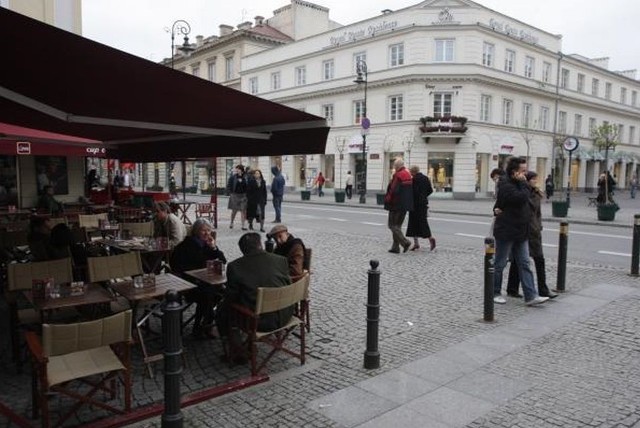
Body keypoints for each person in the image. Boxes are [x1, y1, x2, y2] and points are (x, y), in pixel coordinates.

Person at [492, 156, 549, 306]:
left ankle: (531, 295)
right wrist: (524, 183)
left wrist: (496, 209)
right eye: (522, 170)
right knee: (500, 263)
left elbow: (500, 205)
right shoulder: (506, 184)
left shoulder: (519, 184)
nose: (525, 173)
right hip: (506, 230)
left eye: (525, 170)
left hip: (521, 231)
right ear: (514, 171)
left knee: (524, 263)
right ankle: (495, 292)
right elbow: (520, 198)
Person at [216, 232, 292, 338]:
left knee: (221, 310)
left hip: (258, 321)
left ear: (242, 250)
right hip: (285, 314)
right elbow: (288, 284)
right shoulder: (280, 260)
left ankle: (235, 348)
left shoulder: (235, 267)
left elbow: (231, 297)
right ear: (260, 245)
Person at [171, 218, 227, 338]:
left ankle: (203, 325)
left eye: (209, 230)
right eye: (203, 231)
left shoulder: (206, 244)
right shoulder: (186, 245)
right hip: (188, 284)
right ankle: (201, 327)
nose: (207, 233)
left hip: (205, 283)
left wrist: (213, 247)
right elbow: (182, 266)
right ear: (196, 231)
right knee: (209, 295)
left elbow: (223, 260)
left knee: (221, 293)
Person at [506, 171, 558, 299]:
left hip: (534, 231)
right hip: (523, 230)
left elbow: (538, 213)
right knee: (520, 260)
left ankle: (542, 289)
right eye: (533, 179)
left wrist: (539, 226)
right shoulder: (522, 193)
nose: (535, 181)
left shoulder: (536, 193)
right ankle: (512, 288)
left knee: (539, 259)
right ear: (527, 181)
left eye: (536, 179)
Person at [383, 158, 414, 253]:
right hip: (405, 204)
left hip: (396, 204)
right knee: (398, 226)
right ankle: (395, 247)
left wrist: (387, 199)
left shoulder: (398, 175)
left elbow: (393, 189)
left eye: (394, 166)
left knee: (392, 225)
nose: (394, 167)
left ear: (397, 166)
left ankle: (405, 242)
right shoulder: (407, 174)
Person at [406, 165, 436, 251]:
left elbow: (412, 192)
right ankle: (429, 239)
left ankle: (417, 243)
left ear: (413, 172)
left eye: (411, 172)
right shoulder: (425, 178)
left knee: (413, 224)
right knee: (423, 222)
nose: (410, 173)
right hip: (423, 204)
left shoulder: (414, 180)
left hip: (415, 205)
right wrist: (424, 196)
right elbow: (430, 190)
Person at [228, 165, 248, 230]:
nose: (237, 170)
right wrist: (231, 193)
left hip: (243, 195)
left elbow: (248, 185)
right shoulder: (233, 177)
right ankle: (231, 222)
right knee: (234, 210)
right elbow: (229, 185)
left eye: (238, 169)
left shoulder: (245, 177)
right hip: (235, 195)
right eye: (236, 169)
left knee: (243, 210)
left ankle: (243, 225)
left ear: (241, 170)